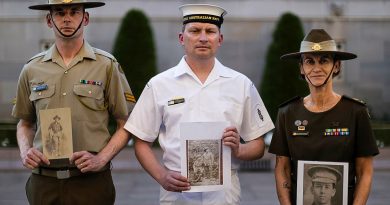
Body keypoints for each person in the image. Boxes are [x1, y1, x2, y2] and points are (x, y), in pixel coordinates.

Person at [124, 4, 274, 205]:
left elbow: (257, 145)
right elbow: (141, 140)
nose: (203, 37)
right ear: (181, 38)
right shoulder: (159, 84)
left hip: (224, 191)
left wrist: (239, 149)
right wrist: (161, 176)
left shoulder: (241, 84)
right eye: (195, 31)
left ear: (219, 39)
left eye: (210, 31)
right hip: (177, 188)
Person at [12, 0, 135, 204]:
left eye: (74, 12)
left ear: (85, 18)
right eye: (59, 13)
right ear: (49, 20)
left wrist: (102, 158)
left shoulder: (106, 65)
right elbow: (24, 123)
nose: (67, 18)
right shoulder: (32, 69)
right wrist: (25, 151)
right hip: (44, 182)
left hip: (91, 182)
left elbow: (126, 123)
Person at [268, 29, 379, 205]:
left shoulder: (355, 112)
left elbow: (365, 170)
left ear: (336, 66)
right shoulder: (287, 113)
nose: (317, 68)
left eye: (324, 60)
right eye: (310, 62)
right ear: (302, 68)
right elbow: (282, 167)